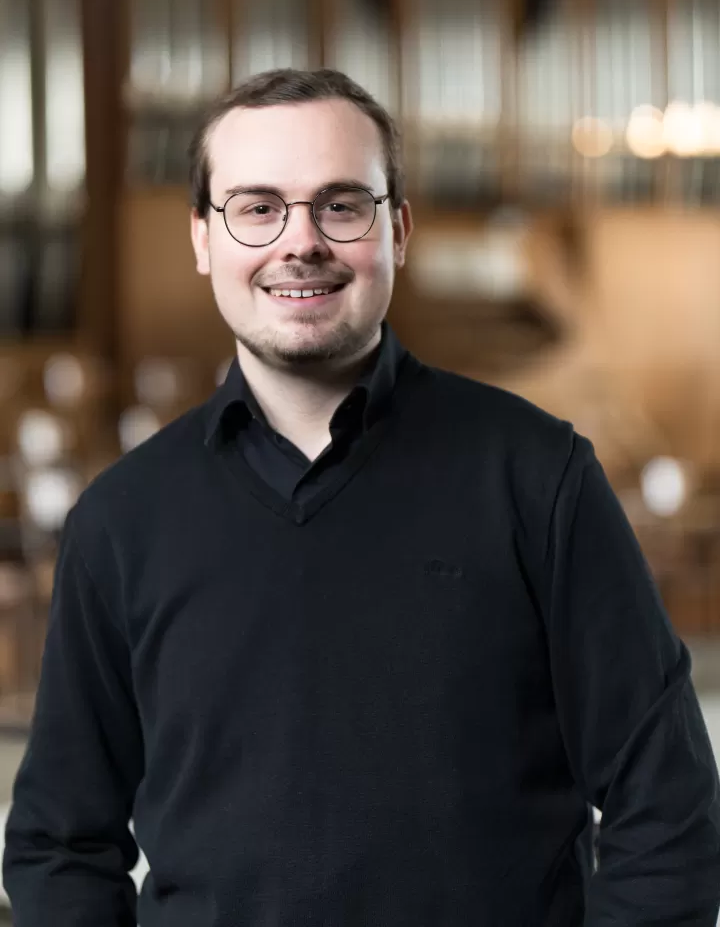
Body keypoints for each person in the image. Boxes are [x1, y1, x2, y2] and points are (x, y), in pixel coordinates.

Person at [4, 67, 720, 927]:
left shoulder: (538, 474)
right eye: (257, 207)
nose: (298, 241)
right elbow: (60, 844)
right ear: (203, 239)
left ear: (399, 229)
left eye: (341, 205)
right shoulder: (120, 520)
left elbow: (667, 807)